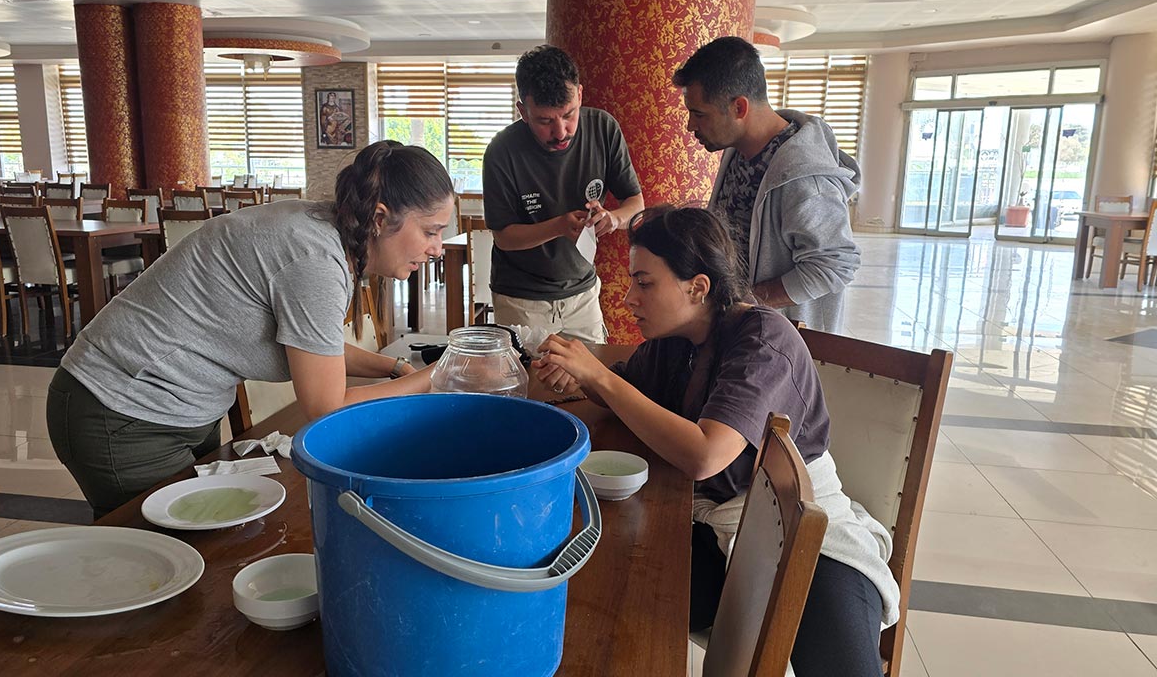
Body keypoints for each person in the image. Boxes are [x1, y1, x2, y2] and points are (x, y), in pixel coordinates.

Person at [532, 206, 897, 677]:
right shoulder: (672, 341)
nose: (628, 299)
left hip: (804, 529)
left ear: (697, 287)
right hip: (715, 525)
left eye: (645, 283)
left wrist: (600, 377)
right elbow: (619, 398)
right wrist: (567, 386)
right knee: (604, 598)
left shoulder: (762, 342)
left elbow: (705, 455)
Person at [47, 141, 453, 518]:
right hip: (122, 407)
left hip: (178, 405)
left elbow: (314, 345)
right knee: (166, 553)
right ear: (381, 218)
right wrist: (437, 375)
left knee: (202, 543)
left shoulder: (325, 232)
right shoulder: (316, 260)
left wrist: (397, 370)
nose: (437, 248)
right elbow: (324, 408)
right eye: (430, 231)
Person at [672, 36, 860, 333]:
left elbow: (835, 265)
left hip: (784, 349)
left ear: (739, 108)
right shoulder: (737, 150)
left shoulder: (805, 176)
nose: (690, 126)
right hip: (743, 333)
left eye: (698, 114)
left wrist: (751, 299)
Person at [482, 44, 645, 343]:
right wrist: (558, 226)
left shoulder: (603, 129)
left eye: (569, 114)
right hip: (521, 299)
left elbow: (635, 202)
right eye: (545, 121)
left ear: (580, 95)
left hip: (582, 294)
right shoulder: (501, 152)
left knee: (591, 382)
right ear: (523, 111)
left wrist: (614, 219)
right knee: (527, 386)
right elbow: (504, 237)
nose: (561, 132)